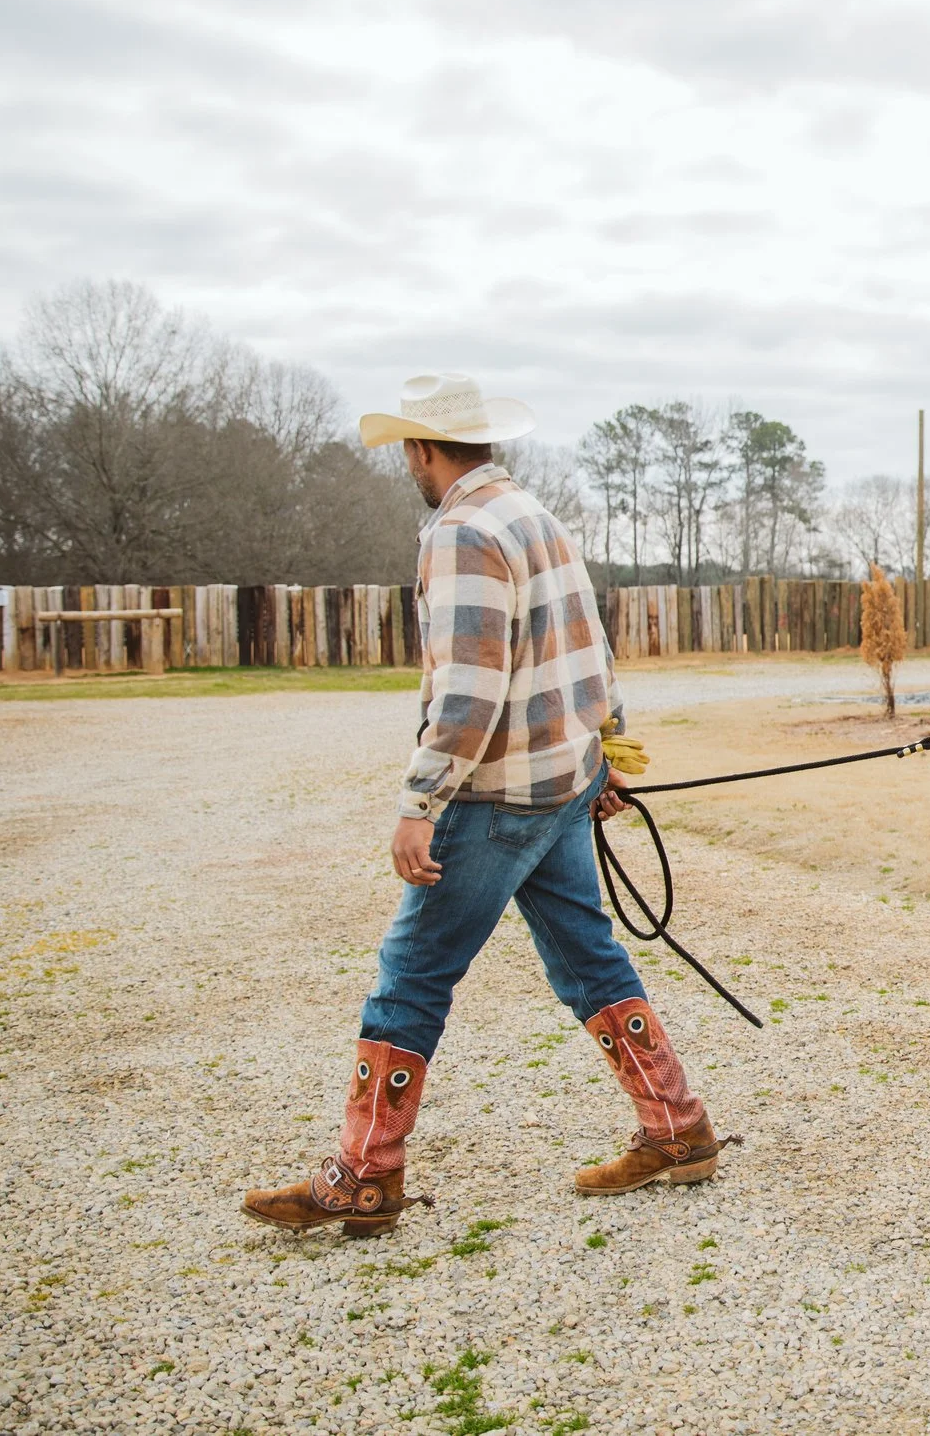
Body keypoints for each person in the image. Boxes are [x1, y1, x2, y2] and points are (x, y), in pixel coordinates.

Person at [242, 373, 729, 1239]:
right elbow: (593, 650)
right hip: (561, 785)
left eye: (407, 449)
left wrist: (419, 801)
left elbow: (467, 692)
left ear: (420, 449)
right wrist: (607, 750)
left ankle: (363, 1175)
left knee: (411, 977)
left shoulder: (461, 532)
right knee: (589, 960)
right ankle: (677, 1126)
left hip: (497, 796)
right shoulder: (535, 517)